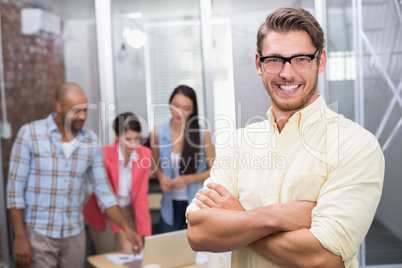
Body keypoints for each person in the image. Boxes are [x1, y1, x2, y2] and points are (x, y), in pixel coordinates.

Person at [186, 7, 384, 268]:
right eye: (274, 59)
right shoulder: (238, 143)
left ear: (320, 61)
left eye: (301, 58)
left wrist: (239, 220)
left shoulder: (356, 145)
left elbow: (322, 258)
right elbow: (199, 233)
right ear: (259, 64)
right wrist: (275, 217)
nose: (287, 73)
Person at [6, 83, 142, 268]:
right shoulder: (30, 135)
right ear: (59, 106)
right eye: (76, 111)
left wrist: (127, 230)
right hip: (38, 234)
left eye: (85, 110)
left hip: (74, 236)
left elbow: (103, 191)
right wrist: (20, 236)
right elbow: (14, 191)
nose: (82, 116)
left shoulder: (91, 140)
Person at [83, 112, 152, 254]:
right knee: (109, 257)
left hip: (129, 211)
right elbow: (106, 198)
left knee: (136, 253)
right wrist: (122, 234)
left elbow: (141, 198)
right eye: (127, 139)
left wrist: (145, 235)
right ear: (116, 136)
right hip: (103, 212)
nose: (133, 144)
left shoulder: (145, 154)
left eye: (136, 138)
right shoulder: (103, 155)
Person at [150, 85, 215, 233]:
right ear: (169, 104)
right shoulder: (157, 133)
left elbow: (214, 170)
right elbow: (154, 165)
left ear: (193, 111)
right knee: (168, 250)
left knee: (196, 252)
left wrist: (189, 179)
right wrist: (160, 177)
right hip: (169, 205)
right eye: (175, 106)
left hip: (196, 204)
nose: (179, 112)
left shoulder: (201, 134)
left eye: (186, 108)